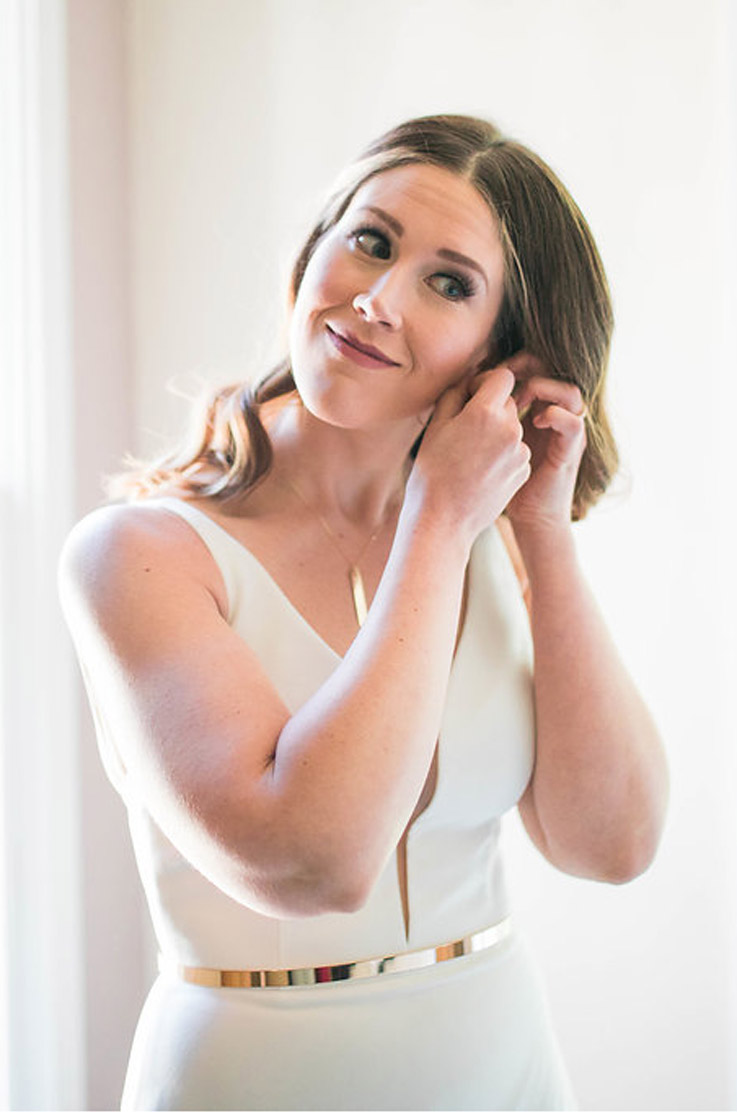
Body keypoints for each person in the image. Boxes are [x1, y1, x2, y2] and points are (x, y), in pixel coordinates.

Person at [59, 114, 668, 1111]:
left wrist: (541, 533)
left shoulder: (497, 538)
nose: (376, 300)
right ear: (315, 251)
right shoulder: (139, 556)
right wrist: (435, 523)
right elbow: (313, 862)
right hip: (253, 1081)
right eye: (369, 241)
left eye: (448, 282)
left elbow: (612, 845)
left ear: (503, 351)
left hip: (502, 1066)